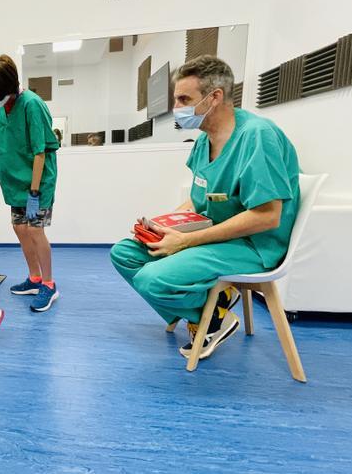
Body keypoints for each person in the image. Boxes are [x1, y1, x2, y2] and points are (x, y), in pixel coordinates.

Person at [109, 55, 301, 361]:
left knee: (151, 279)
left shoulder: (257, 136)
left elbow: (268, 215)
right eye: (175, 99)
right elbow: (198, 200)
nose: (177, 108)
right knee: (124, 252)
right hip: (213, 234)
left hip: (254, 246)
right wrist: (165, 225)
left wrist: (184, 240)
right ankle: (209, 314)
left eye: (184, 99)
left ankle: (213, 316)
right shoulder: (203, 140)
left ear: (215, 97)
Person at [0, 54, 60, 312]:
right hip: (14, 183)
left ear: (9, 87)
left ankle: (49, 284)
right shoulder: (0, 107)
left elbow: (40, 152)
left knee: (36, 231)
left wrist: (34, 191)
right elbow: (2, 143)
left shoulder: (32, 105)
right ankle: (34, 278)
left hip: (36, 183)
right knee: (20, 228)